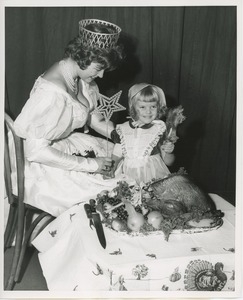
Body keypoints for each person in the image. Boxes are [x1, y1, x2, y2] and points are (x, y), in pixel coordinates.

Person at [14, 19, 127, 217]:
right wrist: (93, 165)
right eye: (98, 68)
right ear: (83, 57)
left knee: (126, 161)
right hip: (40, 163)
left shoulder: (78, 76)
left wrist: (121, 134)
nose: (101, 76)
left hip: (62, 144)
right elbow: (35, 152)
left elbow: (93, 117)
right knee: (108, 193)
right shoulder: (52, 93)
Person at [110, 83, 175, 184]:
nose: (148, 111)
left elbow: (168, 162)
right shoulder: (123, 129)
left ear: (159, 107)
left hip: (154, 178)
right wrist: (111, 168)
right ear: (133, 107)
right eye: (142, 107)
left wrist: (169, 152)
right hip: (129, 177)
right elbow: (117, 154)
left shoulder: (159, 129)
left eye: (153, 106)